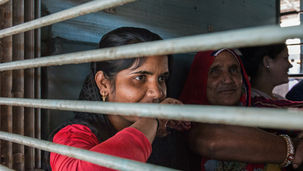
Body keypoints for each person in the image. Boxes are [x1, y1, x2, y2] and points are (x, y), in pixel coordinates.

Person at [48, 27, 199, 171]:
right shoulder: (73, 135)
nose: (158, 93)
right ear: (104, 83)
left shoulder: (164, 134)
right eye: (140, 77)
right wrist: (153, 120)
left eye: (161, 78)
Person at [179, 49, 303, 170]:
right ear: (200, 80)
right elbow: (212, 141)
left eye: (233, 70)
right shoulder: (188, 120)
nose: (228, 79)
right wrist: (292, 147)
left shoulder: (250, 108)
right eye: (215, 71)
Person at [240, 44, 303, 108]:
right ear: (267, 62)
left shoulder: (276, 98)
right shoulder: (255, 102)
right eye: (285, 58)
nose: (290, 65)